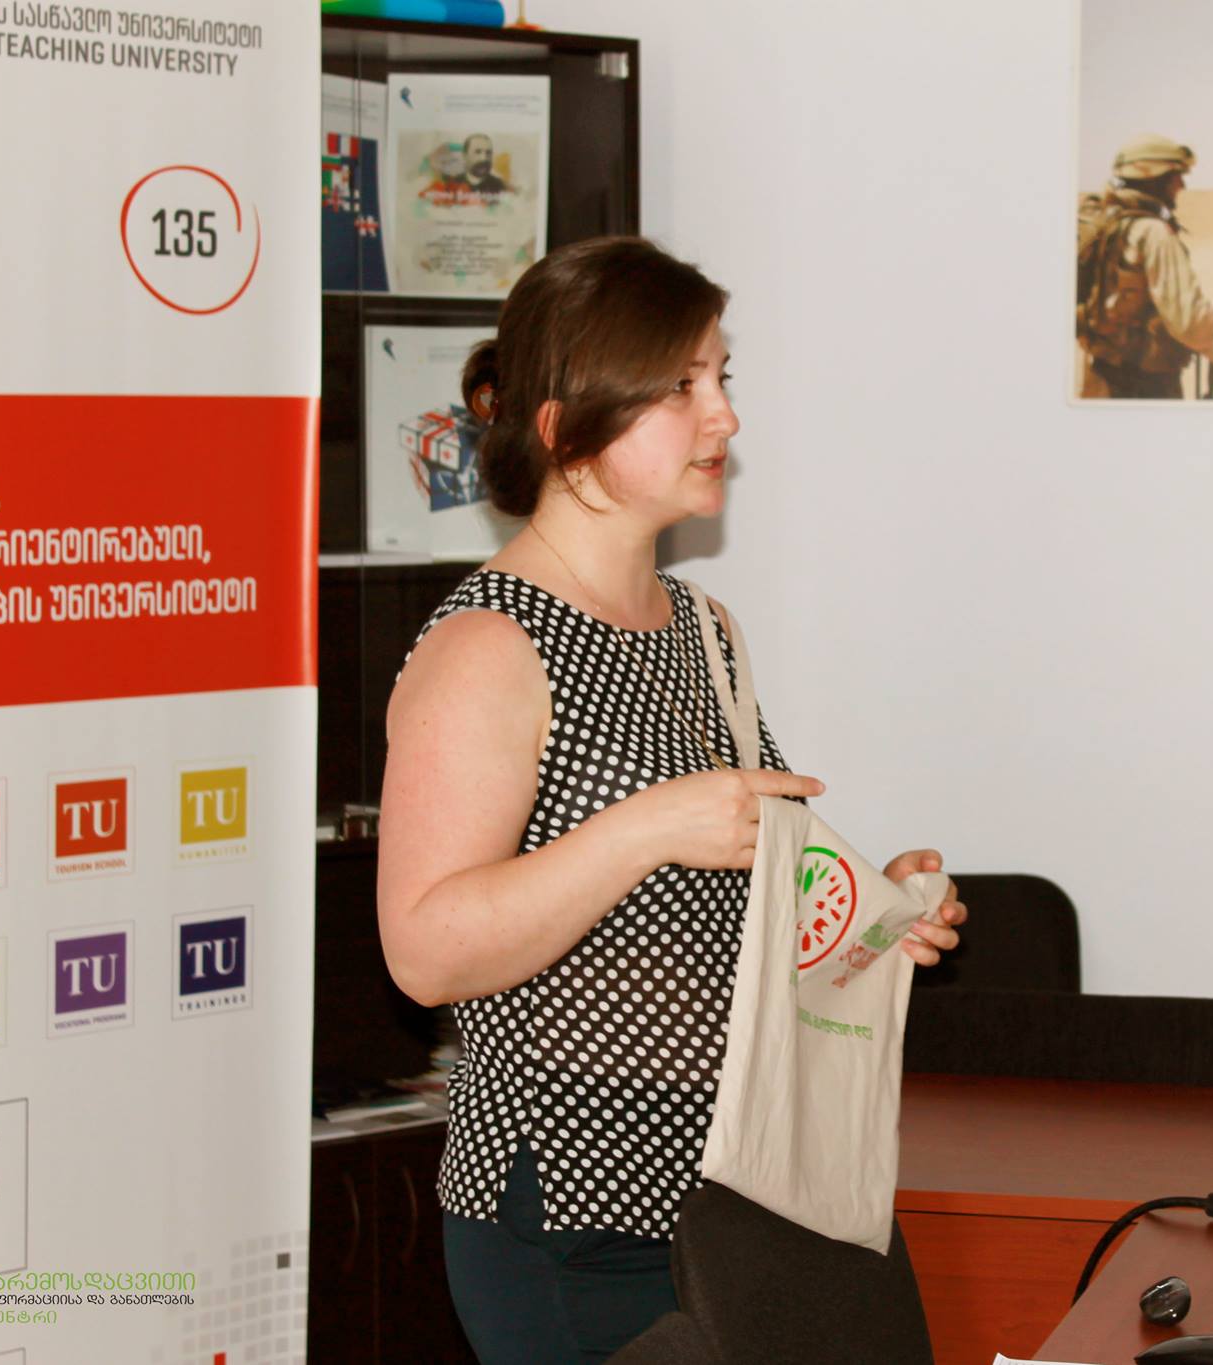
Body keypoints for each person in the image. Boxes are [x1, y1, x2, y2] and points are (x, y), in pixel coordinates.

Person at [376, 236, 970, 1365]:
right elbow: (424, 950)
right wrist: (648, 828)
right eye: (682, 386)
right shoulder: (487, 645)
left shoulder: (705, 629)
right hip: (569, 1219)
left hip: (729, 1199)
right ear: (566, 427)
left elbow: (730, 890)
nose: (724, 417)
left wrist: (871, 909)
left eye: (721, 378)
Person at [1074, 134, 1213, 398]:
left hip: (1099, 377)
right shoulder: (1153, 232)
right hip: (1147, 385)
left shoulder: (1106, 222)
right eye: (1176, 176)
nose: (1182, 185)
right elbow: (1190, 321)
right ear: (1156, 178)